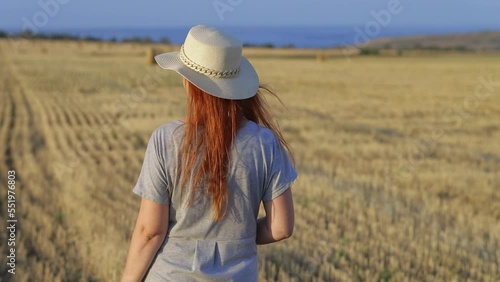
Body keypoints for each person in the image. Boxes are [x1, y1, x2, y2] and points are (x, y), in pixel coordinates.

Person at [121, 25, 298, 282]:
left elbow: (150, 232)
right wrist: (237, 237)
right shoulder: (265, 143)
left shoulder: (165, 140)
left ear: (188, 83)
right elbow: (281, 228)